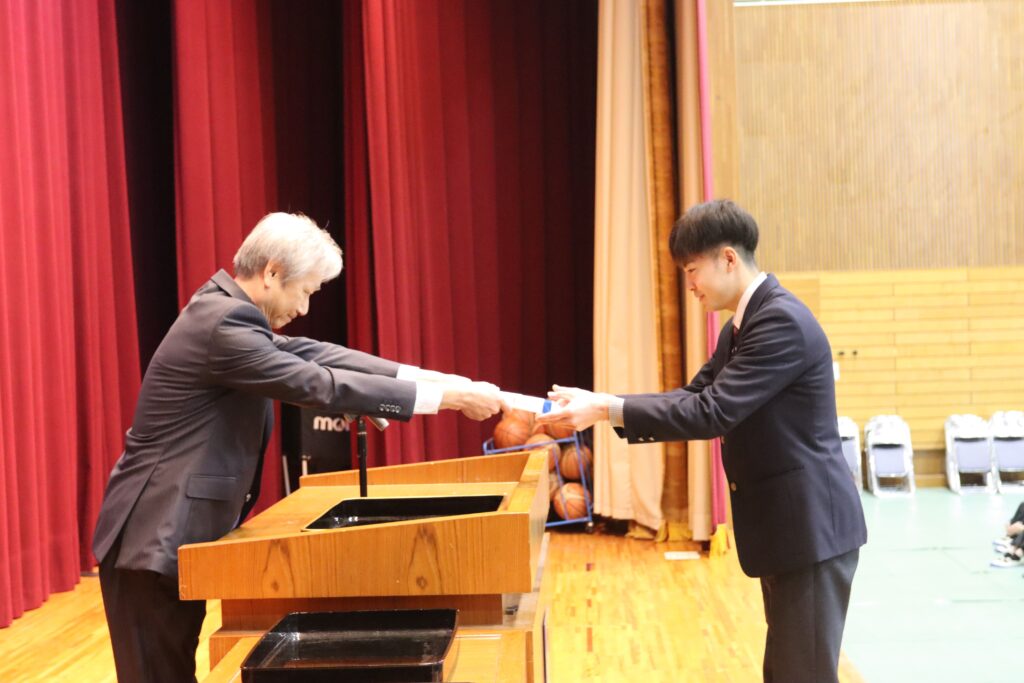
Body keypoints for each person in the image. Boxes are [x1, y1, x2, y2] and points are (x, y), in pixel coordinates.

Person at [92, 213, 504, 683]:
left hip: (166, 535)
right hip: (151, 536)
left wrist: (433, 379)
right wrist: (448, 399)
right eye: (305, 291)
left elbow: (315, 353)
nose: (304, 308)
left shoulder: (228, 312)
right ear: (271, 273)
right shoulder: (223, 323)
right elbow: (316, 383)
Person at [537, 199, 867, 683]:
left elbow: (712, 412)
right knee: (787, 670)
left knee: (803, 673)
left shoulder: (780, 322)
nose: (690, 285)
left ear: (728, 258)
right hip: (791, 526)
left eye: (692, 270)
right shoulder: (741, 326)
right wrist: (606, 403)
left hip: (812, 527)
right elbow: (694, 396)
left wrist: (606, 408)